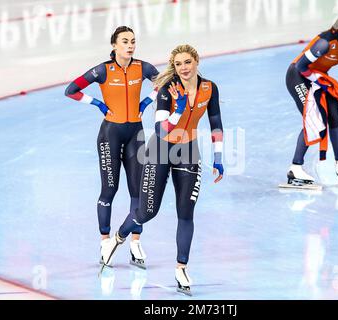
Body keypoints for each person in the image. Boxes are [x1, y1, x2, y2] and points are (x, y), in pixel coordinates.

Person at [101, 44, 224, 296]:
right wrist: (178, 110)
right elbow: (160, 130)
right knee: (147, 212)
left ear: (196, 61)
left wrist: (219, 158)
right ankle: (118, 238)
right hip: (161, 150)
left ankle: (181, 268)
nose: (184, 68)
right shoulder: (168, 90)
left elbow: (216, 123)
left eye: (187, 62)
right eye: (178, 64)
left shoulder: (209, 88)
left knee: (186, 213)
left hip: (189, 151)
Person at [64, 26, 159, 269]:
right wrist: (96, 102)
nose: (130, 45)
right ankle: (105, 241)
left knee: (138, 191)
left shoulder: (143, 68)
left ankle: (135, 242)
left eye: (133, 41)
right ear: (114, 45)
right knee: (110, 189)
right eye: (125, 41)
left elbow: (167, 84)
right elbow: (71, 90)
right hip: (110, 135)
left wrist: (148, 100)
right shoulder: (103, 70)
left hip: (135, 133)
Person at [285, 12, 338, 187]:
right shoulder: (325, 43)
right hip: (298, 76)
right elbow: (301, 66)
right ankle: (295, 167)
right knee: (315, 118)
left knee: (334, 115)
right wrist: (319, 82)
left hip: (319, 77)